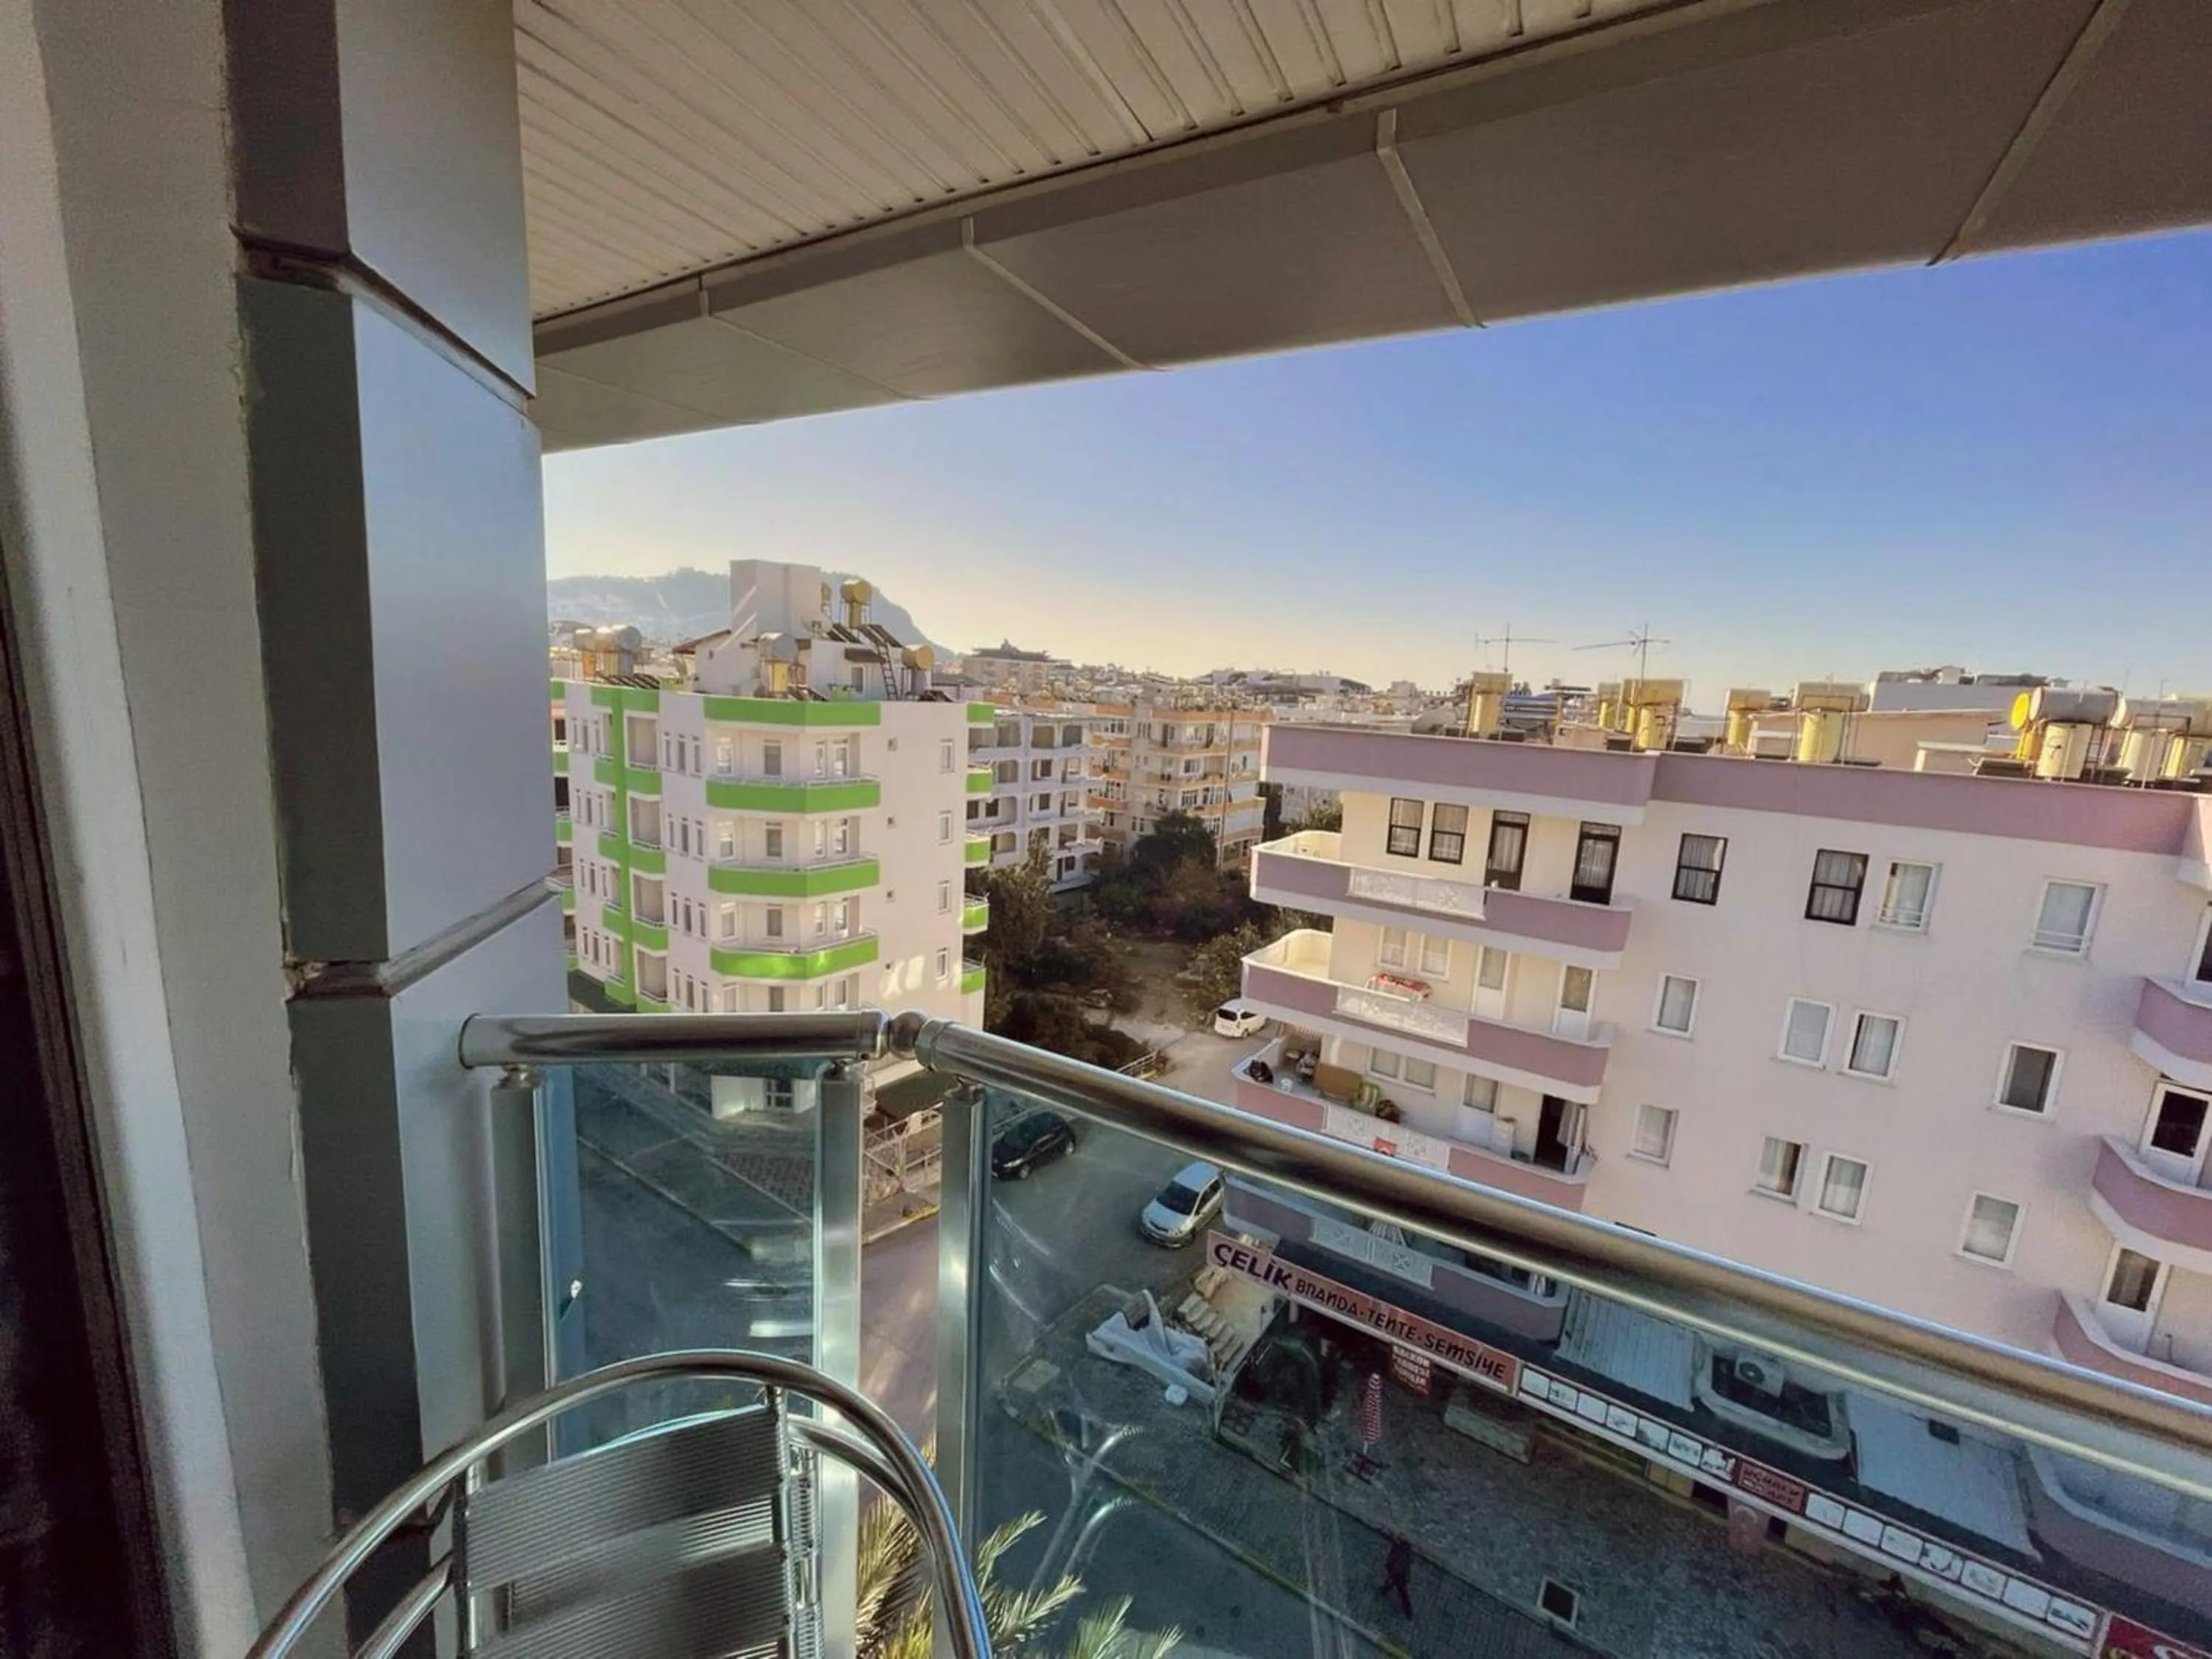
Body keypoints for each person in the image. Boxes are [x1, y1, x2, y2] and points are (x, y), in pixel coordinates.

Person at [1379, 1531, 1413, 1616]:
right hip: (1398, 1573)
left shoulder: (1401, 1549)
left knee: (1402, 1592)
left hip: (1398, 1573)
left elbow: (1401, 1564)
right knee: (1402, 1592)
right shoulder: (1404, 1549)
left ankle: (1408, 1611)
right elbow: (1406, 1564)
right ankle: (1408, 1610)